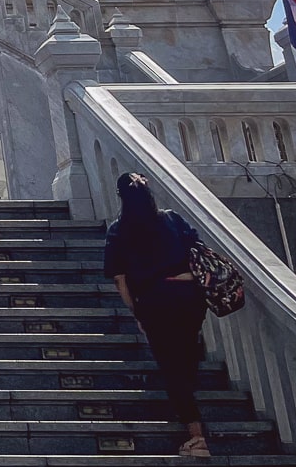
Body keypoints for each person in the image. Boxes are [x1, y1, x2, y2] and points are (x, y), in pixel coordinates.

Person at [104, 172, 210, 459]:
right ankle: (193, 417)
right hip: (189, 295)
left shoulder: (119, 230)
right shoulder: (172, 219)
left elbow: (119, 279)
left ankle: (197, 436)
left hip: (156, 300)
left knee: (171, 366)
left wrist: (137, 311)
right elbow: (197, 250)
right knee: (186, 356)